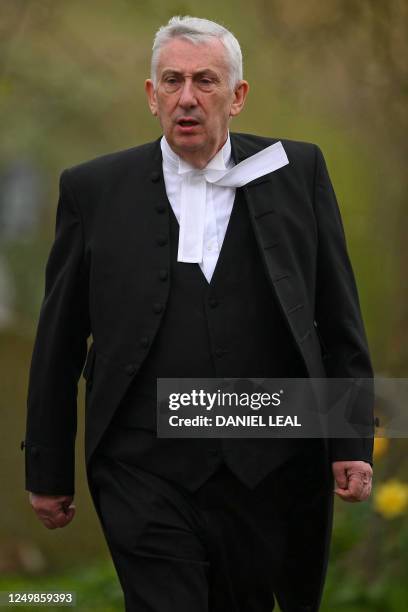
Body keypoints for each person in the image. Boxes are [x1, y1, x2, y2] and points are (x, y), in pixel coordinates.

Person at [22, 15, 374, 612]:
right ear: (151, 94)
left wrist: (352, 440)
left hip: (268, 459)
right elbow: (58, 341)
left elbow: (336, 318)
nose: (186, 98)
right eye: (172, 81)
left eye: (205, 80)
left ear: (236, 97)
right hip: (140, 462)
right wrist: (48, 470)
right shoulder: (92, 190)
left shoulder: (298, 172)